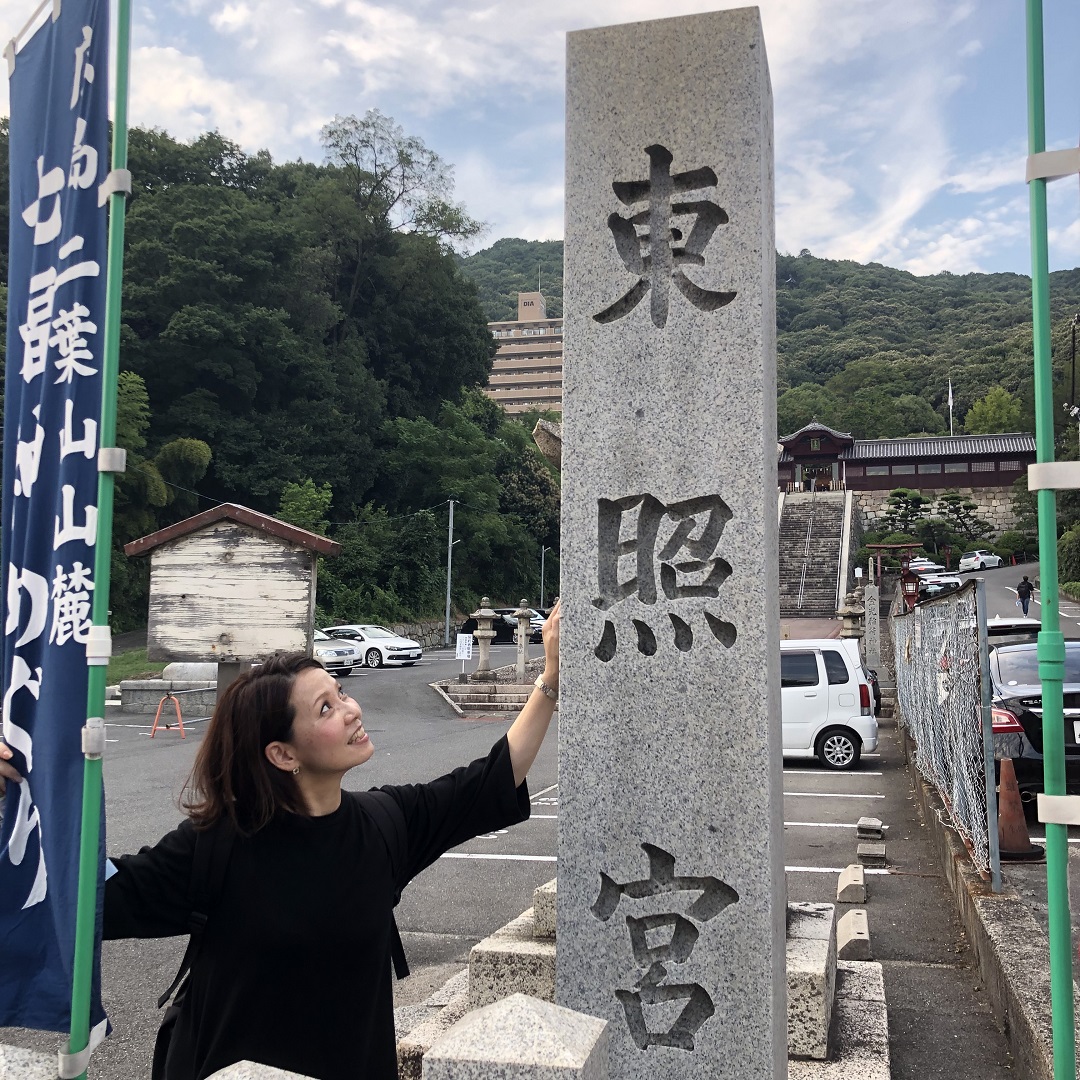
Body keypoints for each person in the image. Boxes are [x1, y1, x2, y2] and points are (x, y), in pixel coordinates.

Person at [0, 600, 561, 1080]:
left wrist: (551, 680)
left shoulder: (385, 823)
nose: (352, 710)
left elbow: (487, 781)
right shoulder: (215, 848)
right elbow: (76, 894)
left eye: (340, 693)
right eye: (326, 708)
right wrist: (11, 802)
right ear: (282, 753)